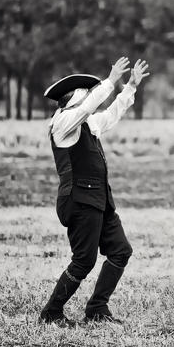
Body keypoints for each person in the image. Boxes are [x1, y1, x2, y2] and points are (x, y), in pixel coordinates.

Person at [40, 57, 150, 327]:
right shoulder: (63, 124)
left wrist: (130, 87)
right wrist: (110, 80)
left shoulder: (88, 125)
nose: (90, 99)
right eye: (86, 97)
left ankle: (97, 308)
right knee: (84, 261)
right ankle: (51, 312)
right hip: (78, 201)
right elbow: (90, 105)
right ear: (75, 101)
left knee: (120, 251)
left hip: (100, 200)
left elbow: (112, 113)